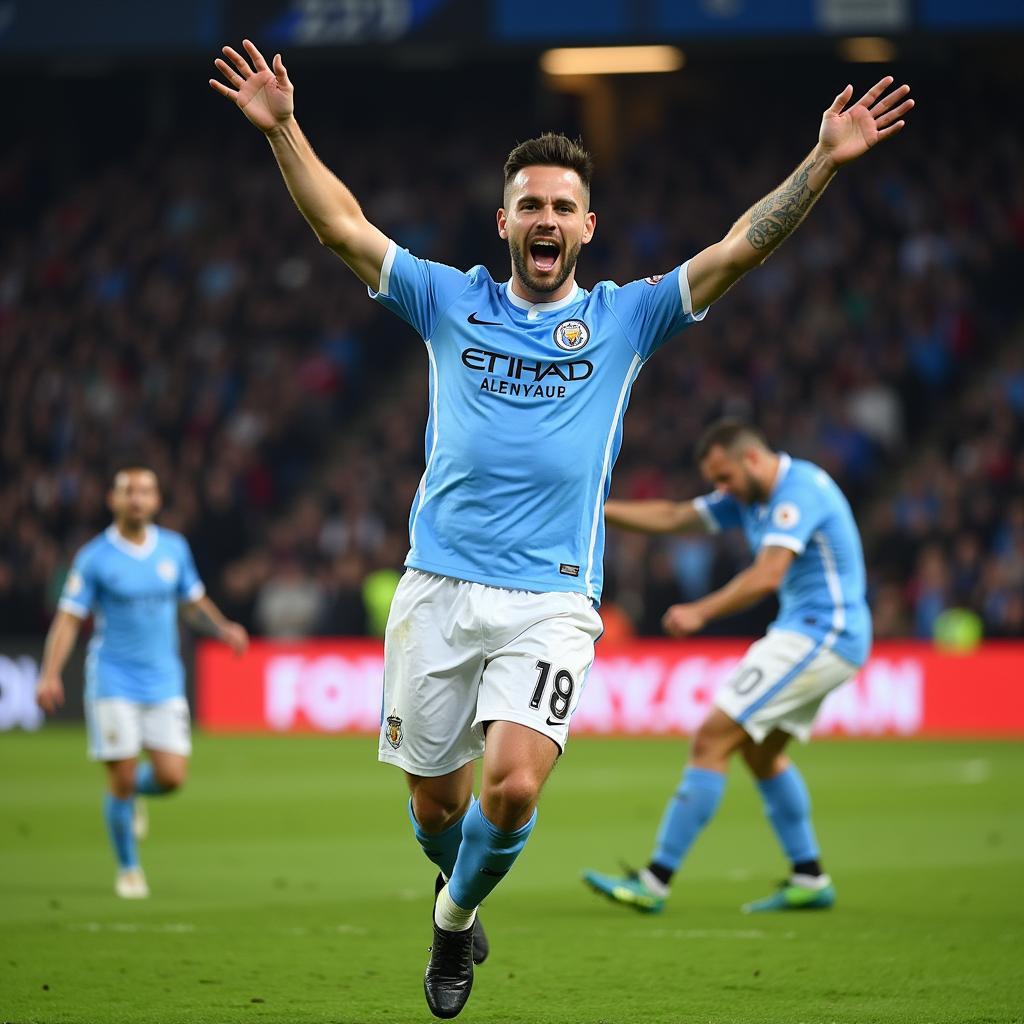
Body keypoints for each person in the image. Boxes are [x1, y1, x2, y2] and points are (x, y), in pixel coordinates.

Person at [210, 40, 910, 1017]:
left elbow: (741, 245)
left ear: (588, 225)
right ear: (505, 221)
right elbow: (344, 230)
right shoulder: (450, 297)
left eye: (561, 207)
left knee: (512, 790)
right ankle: (454, 884)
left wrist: (824, 160)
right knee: (433, 808)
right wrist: (283, 127)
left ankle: (450, 929)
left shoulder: (628, 318)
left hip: (550, 595)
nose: (545, 220)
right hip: (437, 589)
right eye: (529, 204)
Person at [583, 419, 871, 914]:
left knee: (712, 737)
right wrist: (592, 510)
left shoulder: (798, 491)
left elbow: (768, 573)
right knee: (759, 754)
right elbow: (674, 516)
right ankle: (810, 876)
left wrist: (701, 610)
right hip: (819, 632)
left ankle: (655, 881)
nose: (721, 490)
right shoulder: (748, 496)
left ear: (752, 459)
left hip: (821, 631)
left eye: (725, 478)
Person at [36, 466, 248, 899]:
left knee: (171, 777)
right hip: (113, 678)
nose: (137, 498)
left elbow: (191, 602)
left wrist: (223, 627)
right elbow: (69, 619)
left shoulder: (173, 548)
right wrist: (50, 672)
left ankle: (135, 796)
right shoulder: (94, 557)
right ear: (113, 500)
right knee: (122, 775)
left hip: (164, 679)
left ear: (156, 500)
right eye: (128, 491)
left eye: (145, 491)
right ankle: (128, 869)